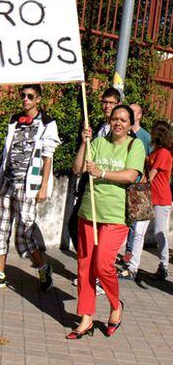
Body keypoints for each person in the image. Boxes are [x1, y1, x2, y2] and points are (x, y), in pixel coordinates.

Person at [67, 105, 145, 339]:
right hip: (89, 214)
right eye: (114, 119)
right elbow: (77, 169)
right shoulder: (98, 143)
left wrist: (101, 173)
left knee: (102, 265)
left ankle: (115, 305)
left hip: (116, 217)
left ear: (131, 125)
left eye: (123, 120)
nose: (118, 123)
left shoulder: (135, 145)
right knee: (85, 267)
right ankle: (86, 318)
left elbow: (131, 175)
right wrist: (84, 143)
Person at [0, 84, 60, 291]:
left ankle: (43, 267)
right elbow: (6, 152)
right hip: (8, 182)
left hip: (28, 185)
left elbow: (48, 157)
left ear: (38, 99)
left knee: (24, 234)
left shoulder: (48, 123)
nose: (25, 99)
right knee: (1, 227)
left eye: (30, 96)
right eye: (23, 95)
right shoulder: (14, 120)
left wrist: (43, 187)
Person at [68, 87, 121, 295]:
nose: (107, 106)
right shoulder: (96, 126)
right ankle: (90, 270)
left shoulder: (124, 134)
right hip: (87, 189)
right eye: (104, 102)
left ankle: (97, 274)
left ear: (118, 105)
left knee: (100, 237)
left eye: (111, 103)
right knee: (75, 226)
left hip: (107, 192)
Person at [119, 120, 172, 281]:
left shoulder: (163, 153)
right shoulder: (156, 151)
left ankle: (163, 266)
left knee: (159, 232)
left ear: (158, 134)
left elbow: (151, 176)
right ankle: (132, 267)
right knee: (139, 232)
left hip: (160, 198)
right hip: (148, 196)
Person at [122, 103, 152, 265]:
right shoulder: (123, 133)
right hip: (122, 182)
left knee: (134, 224)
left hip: (137, 185)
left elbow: (150, 162)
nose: (131, 114)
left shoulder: (145, 137)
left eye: (134, 112)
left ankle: (128, 256)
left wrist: (144, 182)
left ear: (140, 116)